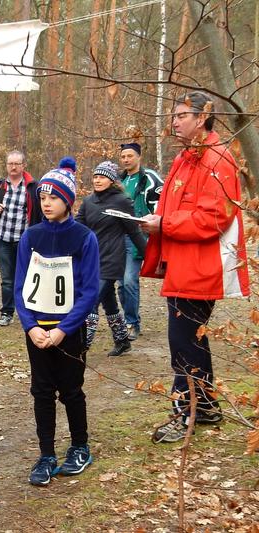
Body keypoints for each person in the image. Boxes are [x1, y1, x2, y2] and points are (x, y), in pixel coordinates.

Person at [140, 91, 249, 443]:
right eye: (173, 115)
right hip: (181, 265)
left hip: (200, 268)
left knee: (183, 342)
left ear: (202, 118)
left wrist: (164, 225)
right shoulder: (188, 157)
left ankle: (186, 411)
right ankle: (204, 407)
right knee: (190, 341)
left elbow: (214, 217)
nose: (173, 122)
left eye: (180, 116)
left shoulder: (217, 158)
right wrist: (159, 222)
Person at [14, 169, 99, 486]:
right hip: (37, 331)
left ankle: (80, 446)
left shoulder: (83, 238)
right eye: (43, 198)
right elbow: (20, 287)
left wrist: (63, 329)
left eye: (54, 198)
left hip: (69, 331)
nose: (47, 203)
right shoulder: (30, 237)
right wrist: (30, 326)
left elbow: (90, 291)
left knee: (72, 390)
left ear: (68, 200)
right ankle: (46, 454)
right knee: (41, 392)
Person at [76, 161, 146, 357]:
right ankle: (123, 340)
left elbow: (134, 231)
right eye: (96, 176)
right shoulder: (89, 201)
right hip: (91, 260)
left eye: (102, 177)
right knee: (109, 301)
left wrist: (151, 257)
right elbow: (77, 228)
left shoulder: (122, 201)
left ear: (112, 180)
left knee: (91, 302)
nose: (98, 180)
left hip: (112, 259)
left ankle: (80, 348)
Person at [0, 150, 42, 327]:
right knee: (7, 279)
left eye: (17, 164)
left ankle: (29, 312)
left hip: (25, 242)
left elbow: (40, 212)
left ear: (24, 166)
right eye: (10, 164)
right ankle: (7, 312)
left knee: (27, 277)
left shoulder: (32, 187)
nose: (13, 167)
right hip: (3, 240)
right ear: (6, 166)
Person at [117, 143, 163, 341]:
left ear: (138, 157)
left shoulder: (149, 178)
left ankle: (132, 323)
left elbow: (161, 204)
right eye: (123, 156)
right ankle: (127, 320)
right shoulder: (119, 180)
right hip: (117, 236)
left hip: (137, 236)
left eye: (130, 156)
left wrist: (150, 224)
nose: (126, 159)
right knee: (120, 283)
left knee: (129, 280)